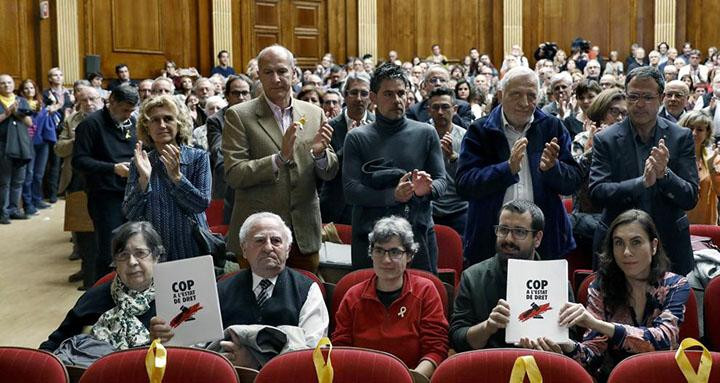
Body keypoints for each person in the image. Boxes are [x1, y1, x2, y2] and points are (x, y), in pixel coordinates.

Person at [520, 210, 690, 382]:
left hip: (661, 376)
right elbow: (593, 357)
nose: (626, 252)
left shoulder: (675, 285)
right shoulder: (601, 287)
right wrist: (567, 346)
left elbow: (663, 341)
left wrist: (598, 324)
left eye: (636, 242)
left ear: (654, 246)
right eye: (618, 243)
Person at [150, 212, 328, 367]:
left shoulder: (308, 290)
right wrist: (168, 336)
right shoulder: (219, 288)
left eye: (276, 241)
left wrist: (256, 360)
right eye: (259, 240)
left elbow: (312, 353)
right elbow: (193, 348)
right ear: (243, 249)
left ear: (288, 250)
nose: (268, 247)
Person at [222, 44, 338, 273]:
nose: (276, 79)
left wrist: (319, 155)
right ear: (259, 76)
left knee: (304, 298)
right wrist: (278, 159)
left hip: (303, 235)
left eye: (282, 71)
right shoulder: (239, 115)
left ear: (294, 74)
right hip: (258, 237)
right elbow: (234, 174)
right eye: (268, 72)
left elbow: (329, 171)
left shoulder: (314, 113)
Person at [456, 66, 582, 266]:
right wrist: (507, 169)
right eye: (516, 94)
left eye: (531, 95)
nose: (524, 103)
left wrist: (552, 169)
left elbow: (573, 182)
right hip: (490, 241)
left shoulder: (552, 127)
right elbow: (465, 185)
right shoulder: (480, 130)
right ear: (500, 94)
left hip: (544, 241)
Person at [589, 66, 699, 275]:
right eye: (633, 97)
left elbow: (690, 197)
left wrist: (664, 175)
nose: (639, 104)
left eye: (647, 97)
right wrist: (640, 184)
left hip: (669, 243)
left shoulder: (680, 137)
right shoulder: (606, 139)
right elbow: (597, 193)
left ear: (660, 98)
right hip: (618, 245)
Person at [343, 62, 447, 273]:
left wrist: (426, 189)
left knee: (421, 299)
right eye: (388, 94)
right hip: (370, 236)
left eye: (401, 93)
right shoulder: (357, 137)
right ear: (373, 98)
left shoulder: (426, 132)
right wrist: (394, 196)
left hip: (417, 233)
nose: (397, 100)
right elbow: (350, 190)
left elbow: (442, 181)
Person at [332, 216, 448, 379]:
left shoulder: (426, 291)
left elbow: (435, 349)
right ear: (371, 253)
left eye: (395, 252)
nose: (386, 260)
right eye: (379, 251)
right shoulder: (353, 296)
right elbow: (341, 350)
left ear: (409, 255)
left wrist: (410, 379)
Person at [39, 221, 164, 353]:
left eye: (140, 253)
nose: (132, 262)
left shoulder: (171, 300)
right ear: (115, 263)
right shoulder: (94, 299)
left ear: (156, 257)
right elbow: (51, 348)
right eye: (123, 255)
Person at [451, 200, 556, 351]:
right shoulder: (473, 277)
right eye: (503, 230)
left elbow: (570, 341)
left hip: (542, 366)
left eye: (519, 232)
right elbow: (457, 339)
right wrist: (487, 327)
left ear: (537, 238)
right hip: (487, 368)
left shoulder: (556, 280)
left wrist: (552, 346)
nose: (508, 239)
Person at [123, 95, 210, 261]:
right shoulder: (140, 162)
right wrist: (144, 180)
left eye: (168, 119)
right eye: (155, 120)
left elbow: (201, 205)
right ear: (147, 127)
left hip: (192, 249)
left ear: (179, 123)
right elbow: (130, 212)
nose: (162, 125)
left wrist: (177, 178)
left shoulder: (198, 158)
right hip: (154, 251)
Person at [73, 85, 138, 283]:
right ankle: (103, 289)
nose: (128, 115)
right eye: (125, 110)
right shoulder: (90, 125)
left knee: (134, 243)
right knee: (109, 248)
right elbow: (79, 160)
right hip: (104, 194)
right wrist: (112, 168)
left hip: (131, 191)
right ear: (112, 102)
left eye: (131, 110)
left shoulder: (131, 122)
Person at [56, 86, 102, 289]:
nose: (89, 103)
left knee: (96, 232)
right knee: (79, 230)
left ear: (100, 100)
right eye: (84, 100)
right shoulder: (71, 120)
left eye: (93, 98)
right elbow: (58, 148)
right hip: (74, 178)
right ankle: (85, 268)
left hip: (97, 181)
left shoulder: (106, 120)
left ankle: (94, 275)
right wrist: (76, 140)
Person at [319, 72, 374, 225]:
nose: (358, 98)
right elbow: (325, 171)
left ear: (371, 97)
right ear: (344, 96)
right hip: (335, 208)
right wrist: (349, 144)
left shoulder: (379, 126)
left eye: (364, 93)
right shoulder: (329, 127)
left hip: (370, 207)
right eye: (354, 93)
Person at [206, 74, 252, 225]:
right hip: (229, 184)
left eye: (245, 93)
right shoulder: (216, 120)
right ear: (227, 96)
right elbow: (218, 150)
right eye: (236, 93)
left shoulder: (259, 116)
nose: (241, 97)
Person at [428, 87, 468, 237]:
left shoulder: (466, 137)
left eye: (445, 107)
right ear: (428, 110)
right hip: (430, 207)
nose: (440, 112)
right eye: (435, 107)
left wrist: (453, 156)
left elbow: (470, 176)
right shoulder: (422, 135)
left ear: (455, 109)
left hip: (459, 209)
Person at [0, 74, 32, 224]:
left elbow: (29, 122)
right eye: (3, 83)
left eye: (9, 83)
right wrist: (7, 113)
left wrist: (17, 113)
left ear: (13, 85)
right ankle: (3, 212)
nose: (6, 86)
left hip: (21, 146)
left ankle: (15, 209)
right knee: (4, 181)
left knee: (18, 180)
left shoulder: (22, 100)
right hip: (3, 146)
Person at [678, 111, 720, 224]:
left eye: (700, 129)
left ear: (707, 133)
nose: (694, 133)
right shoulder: (672, 157)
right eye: (690, 128)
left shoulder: (714, 158)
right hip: (678, 227)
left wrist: (711, 168)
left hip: (706, 225)